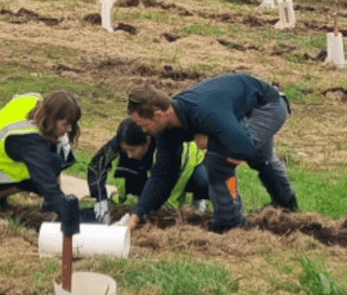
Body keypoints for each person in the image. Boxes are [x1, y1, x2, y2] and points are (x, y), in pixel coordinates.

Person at [124, 73, 296, 232]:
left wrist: (210, 142)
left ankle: (230, 227)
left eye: (143, 124)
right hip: (237, 110)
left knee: (220, 161)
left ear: (159, 115)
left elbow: (245, 148)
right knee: (258, 157)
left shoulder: (203, 111)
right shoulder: (166, 130)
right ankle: (286, 205)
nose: (143, 130)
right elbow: (163, 174)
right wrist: (139, 212)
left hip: (267, 105)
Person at [0, 91, 81, 218]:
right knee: (50, 165)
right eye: (66, 124)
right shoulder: (29, 141)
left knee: (60, 145)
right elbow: (47, 183)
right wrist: (69, 214)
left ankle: (49, 203)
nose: (70, 129)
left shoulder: (33, 101)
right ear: (52, 118)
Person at [87, 118, 208, 225]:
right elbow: (97, 165)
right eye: (125, 150)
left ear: (147, 141)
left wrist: (145, 211)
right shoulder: (124, 138)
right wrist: (100, 197)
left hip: (188, 167)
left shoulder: (166, 143)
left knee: (202, 180)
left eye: (132, 150)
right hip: (151, 165)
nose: (128, 155)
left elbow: (164, 180)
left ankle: (199, 198)